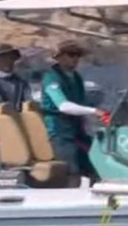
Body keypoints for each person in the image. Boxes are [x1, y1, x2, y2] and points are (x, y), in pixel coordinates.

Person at [40, 41, 109, 181]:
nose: (75, 58)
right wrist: (94, 111)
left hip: (78, 132)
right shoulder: (51, 78)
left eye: (78, 55)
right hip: (60, 133)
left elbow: (80, 105)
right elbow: (63, 106)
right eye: (71, 54)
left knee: (95, 166)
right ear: (59, 57)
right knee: (72, 172)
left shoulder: (76, 77)